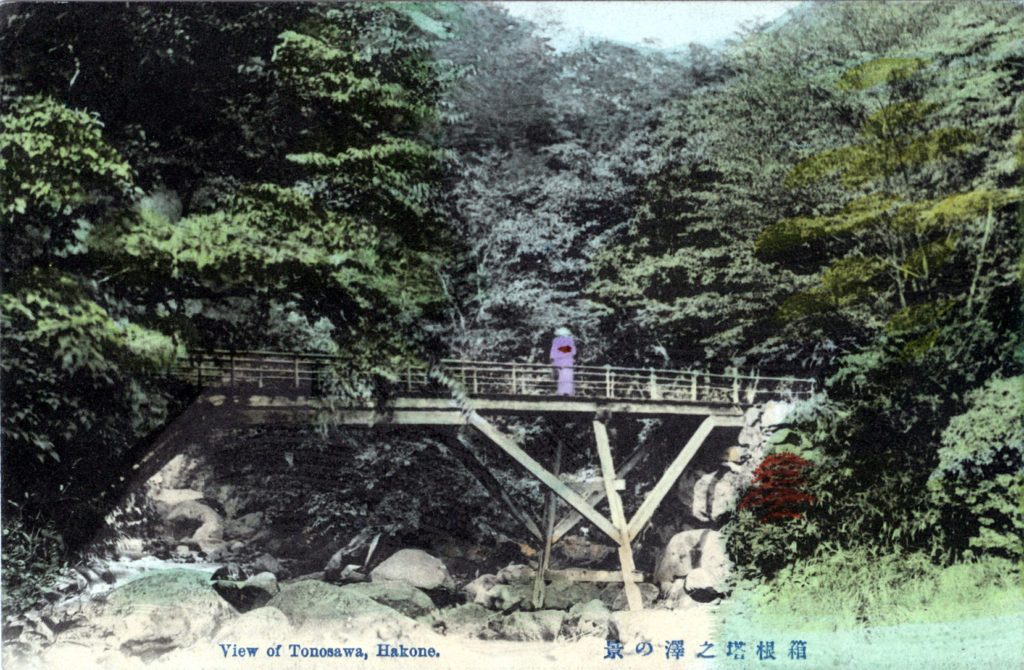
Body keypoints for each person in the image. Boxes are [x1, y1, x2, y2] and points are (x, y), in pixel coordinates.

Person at [550, 327, 576, 396]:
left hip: (561, 362)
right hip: (565, 362)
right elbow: (572, 351)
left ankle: (564, 391)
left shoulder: (558, 341)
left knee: (563, 377)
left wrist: (559, 350)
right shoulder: (567, 340)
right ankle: (565, 391)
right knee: (565, 377)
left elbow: (554, 352)